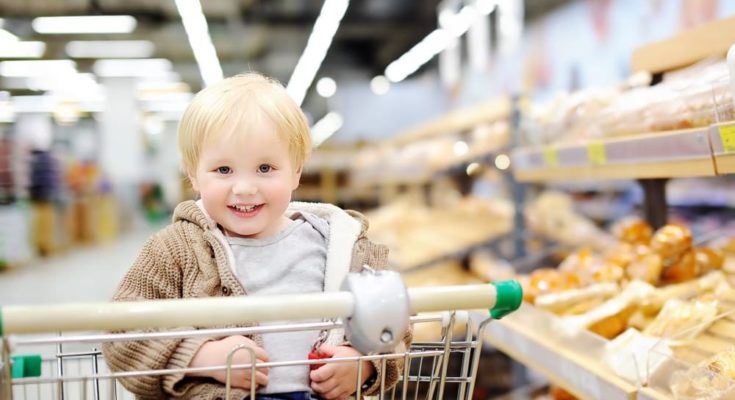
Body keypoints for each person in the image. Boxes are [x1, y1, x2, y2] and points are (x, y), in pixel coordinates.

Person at [102, 72, 410, 400]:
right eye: (223, 170)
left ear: (296, 171)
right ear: (193, 174)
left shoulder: (342, 246)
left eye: (265, 168)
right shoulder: (175, 250)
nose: (245, 188)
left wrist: (362, 363)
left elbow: (394, 325)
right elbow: (124, 331)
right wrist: (200, 357)